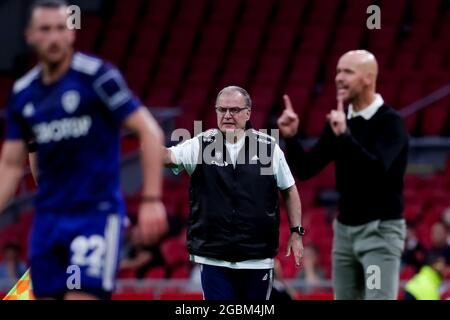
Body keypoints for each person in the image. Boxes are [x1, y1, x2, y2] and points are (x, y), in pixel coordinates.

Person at [0, 0, 167, 300]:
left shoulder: (97, 77)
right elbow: (12, 166)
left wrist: (152, 199)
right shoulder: (23, 94)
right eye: (45, 29)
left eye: (60, 28)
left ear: (71, 33)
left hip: (94, 219)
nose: (53, 37)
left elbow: (150, 131)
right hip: (48, 222)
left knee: (79, 296)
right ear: (30, 36)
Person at [277, 50, 409, 300]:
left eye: (347, 71)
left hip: (379, 234)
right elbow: (306, 169)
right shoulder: (339, 124)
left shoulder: (391, 123)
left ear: (369, 78)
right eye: (338, 71)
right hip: (345, 233)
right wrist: (292, 137)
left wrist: (345, 137)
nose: (339, 77)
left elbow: (377, 173)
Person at [164, 86, 304, 300]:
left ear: (248, 113)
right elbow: (169, 157)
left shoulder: (267, 148)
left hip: (257, 257)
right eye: (222, 110)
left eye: (234, 110)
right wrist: (148, 136)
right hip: (214, 257)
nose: (227, 115)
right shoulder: (202, 144)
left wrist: (296, 231)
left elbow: (289, 188)